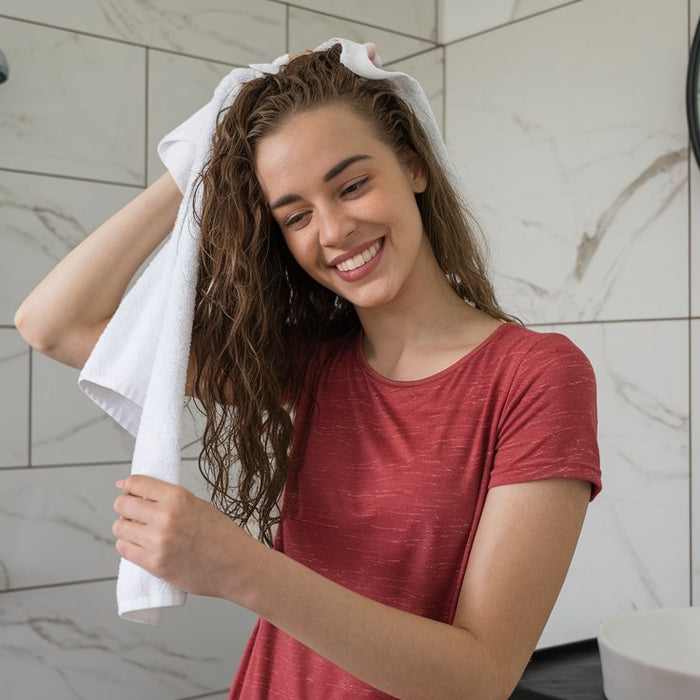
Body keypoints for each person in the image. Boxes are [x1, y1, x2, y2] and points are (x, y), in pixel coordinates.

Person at [14, 44, 601, 699]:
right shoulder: (314, 362)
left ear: (412, 166)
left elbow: (480, 677)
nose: (333, 230)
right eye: (295, 214)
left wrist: (240, 569)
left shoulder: (535, 377)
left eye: (352, 185)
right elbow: (54, 324)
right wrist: (200, 154)